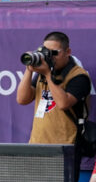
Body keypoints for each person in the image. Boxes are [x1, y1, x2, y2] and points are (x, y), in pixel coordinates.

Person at [16, 32, 92, 163]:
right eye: (47, 52)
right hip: (37, 144)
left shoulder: (79, 76)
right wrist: (29, 70)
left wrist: (47, 74)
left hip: (65, 147)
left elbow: (64, 103)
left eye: (54, 53)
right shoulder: (42, 73)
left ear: (68, 52)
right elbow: (22, 99)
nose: (49, 57)